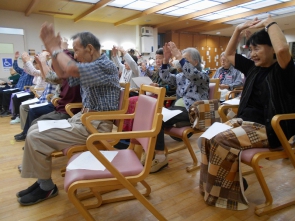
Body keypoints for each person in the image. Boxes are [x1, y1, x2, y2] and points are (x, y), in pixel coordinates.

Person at [17, 24, 120, 206]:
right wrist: (52, 50)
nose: (76, 55)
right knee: (35, 128)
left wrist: (56, 48)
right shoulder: (89, 65)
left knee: (36, 137)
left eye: (77, 51)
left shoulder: (105, 66)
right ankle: (42, 182)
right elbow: (59, 75)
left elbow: (71, 69)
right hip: (84, 120)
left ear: (89, 48)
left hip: (97, 126)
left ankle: (46, 187)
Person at [199, 15, 295, 210]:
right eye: (250, 49)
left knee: (221, 140)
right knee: (207, 137)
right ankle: (212, 185)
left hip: (269, 128)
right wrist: (237, 30)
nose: (252, 54)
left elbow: (283, 49)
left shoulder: (283, 70)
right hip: (244, 122)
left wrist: (269, 23)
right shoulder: (253, 68)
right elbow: (229, 53)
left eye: (257, 48)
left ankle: (226, 193)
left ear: (272, 49)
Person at [148, 42, 209, 173]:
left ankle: (160, 156)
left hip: (194, 112)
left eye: (185, 60)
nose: (181, 62)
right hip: (178, 110)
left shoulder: (202, 76)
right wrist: (165, 60)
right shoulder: (181, 76)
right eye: (181, 59)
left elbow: (192, 74)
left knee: (159, 118)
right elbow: (165, 77)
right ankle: (153, 153)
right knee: (154, 115)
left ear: (195, 62)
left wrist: (179, 56)